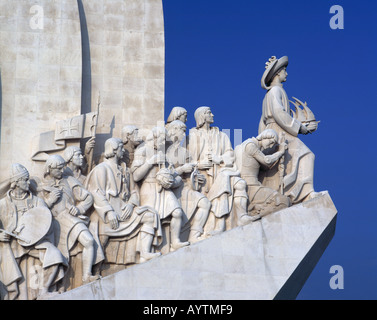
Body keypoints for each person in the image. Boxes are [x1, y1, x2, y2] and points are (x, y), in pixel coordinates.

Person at [85, 138, 162, 269]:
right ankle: (93, 271)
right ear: (114, 150)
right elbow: (96, 193)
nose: (123, 151)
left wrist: (131, 204)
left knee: (150, 215)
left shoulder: (125, 170)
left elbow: (134, 192)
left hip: (125, 210)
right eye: (121, 148)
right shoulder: (101, 169)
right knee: (101, 241)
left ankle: (144, 253)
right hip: (108, 214)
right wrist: (109, 212)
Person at [0, 164, 67, 300]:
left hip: (33, 243)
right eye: (24, 180)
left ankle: (44, 291)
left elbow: (45, 219)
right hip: (12, 245)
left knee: (55, 255)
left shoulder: (37, 201)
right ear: (16, 183)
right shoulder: (3, 203)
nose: (28, 182)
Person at [259, 56, 319, 204]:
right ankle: (306, 193)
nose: (287, 74)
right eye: (284, 71)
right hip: (279, 131)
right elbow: (279, 114)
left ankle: (293, 192)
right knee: (306, 155)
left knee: (290, 163)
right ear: (278, 73)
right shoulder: (275, 92)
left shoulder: (274, 92)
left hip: (275, 130)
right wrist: (301, 128)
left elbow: (262, 120)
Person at [188, 106, 252, 234]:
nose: (213, 115)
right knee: (215, 195)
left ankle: (238, 218)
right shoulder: (193, 135)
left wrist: (219, 159)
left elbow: (230, 153)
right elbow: (188, 158)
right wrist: (199, 165)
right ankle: (210, 228)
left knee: (237, 184)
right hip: (203, 174)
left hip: (221, 170)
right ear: (202, 116)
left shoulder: (222, 135)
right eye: (209, 113)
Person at [38, 155, 99, 285]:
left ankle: (87, 275)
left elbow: (88, 198)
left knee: (88, 241)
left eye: (62, 168)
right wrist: (49, 201)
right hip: (52, 226)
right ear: (49, 169)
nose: (62, 171)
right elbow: (36, 213)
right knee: (56, 258)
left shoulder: (69, 180)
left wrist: (79, 209)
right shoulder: (40, 187)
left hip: (69, 218)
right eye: (58, 169)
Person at [131, 127, 190, 252]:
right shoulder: (142, 151)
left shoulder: (163, 154)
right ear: (154, 138)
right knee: (151, 219)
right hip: (149, 188)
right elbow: (136, 176)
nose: (163, 143)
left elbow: (171, 173)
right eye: (162, 140)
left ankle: (175, 242)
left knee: (177, 212)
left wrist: (182, 170)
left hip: (163, 189)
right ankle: (145, 251)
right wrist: (150, 162)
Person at [166, 120, 211, 243]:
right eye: (182, 131)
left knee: (205, 203)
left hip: (184, 187)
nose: (183, 134)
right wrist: (181, 169)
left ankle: (194, 235)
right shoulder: (164, 150)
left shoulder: (184, 152)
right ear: (174, 130)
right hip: (170, 189)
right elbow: (164, 174)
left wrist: (197, 177)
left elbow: (192, 171)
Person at [235, 129, 291, 219]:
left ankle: (256, 213)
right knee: (282, 201)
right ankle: (257, 216)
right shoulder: (250, 145)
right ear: (265, 137)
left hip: (250, 186)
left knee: (283, 201)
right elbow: (267, 161)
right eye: (271, 142)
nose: (271, 145)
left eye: (273, 144)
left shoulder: (242, 146)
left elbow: (265, 166)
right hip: (251, 187)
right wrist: (280, 152)